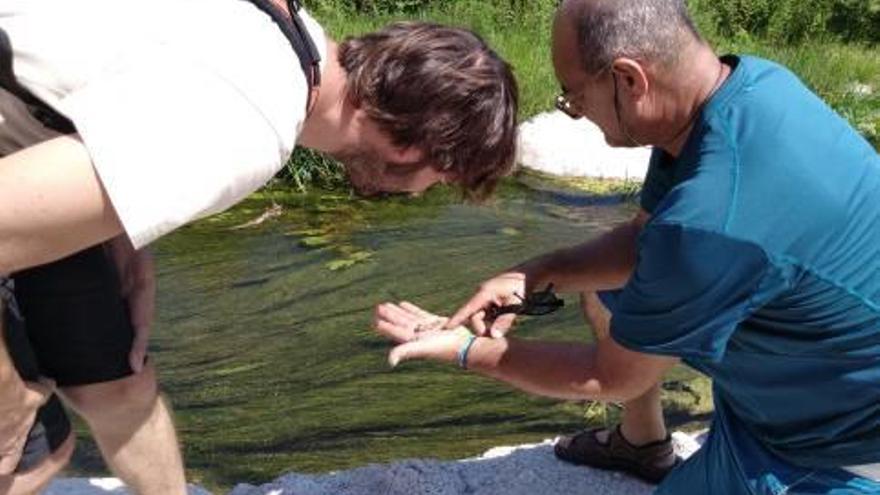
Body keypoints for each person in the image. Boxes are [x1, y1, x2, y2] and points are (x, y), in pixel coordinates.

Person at [0, 0, 518, 492]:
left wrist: (125, 233)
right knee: (27, 452)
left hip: (30, 143)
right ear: (410, 145)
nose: (426, 191)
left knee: (121, 388)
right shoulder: (249, 130)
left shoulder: (289, 31)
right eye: (441, 178)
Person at [373, 0, 880, 493]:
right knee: (608, 288)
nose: (574, 112)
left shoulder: (710, 218)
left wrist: (467, 350)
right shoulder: (743, 89)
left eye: (573, 97)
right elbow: (643, 241)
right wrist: (537, 272)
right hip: (773, 405)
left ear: (629, 79)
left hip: (835, 455)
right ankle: (641, 445)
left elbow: (608, 377)